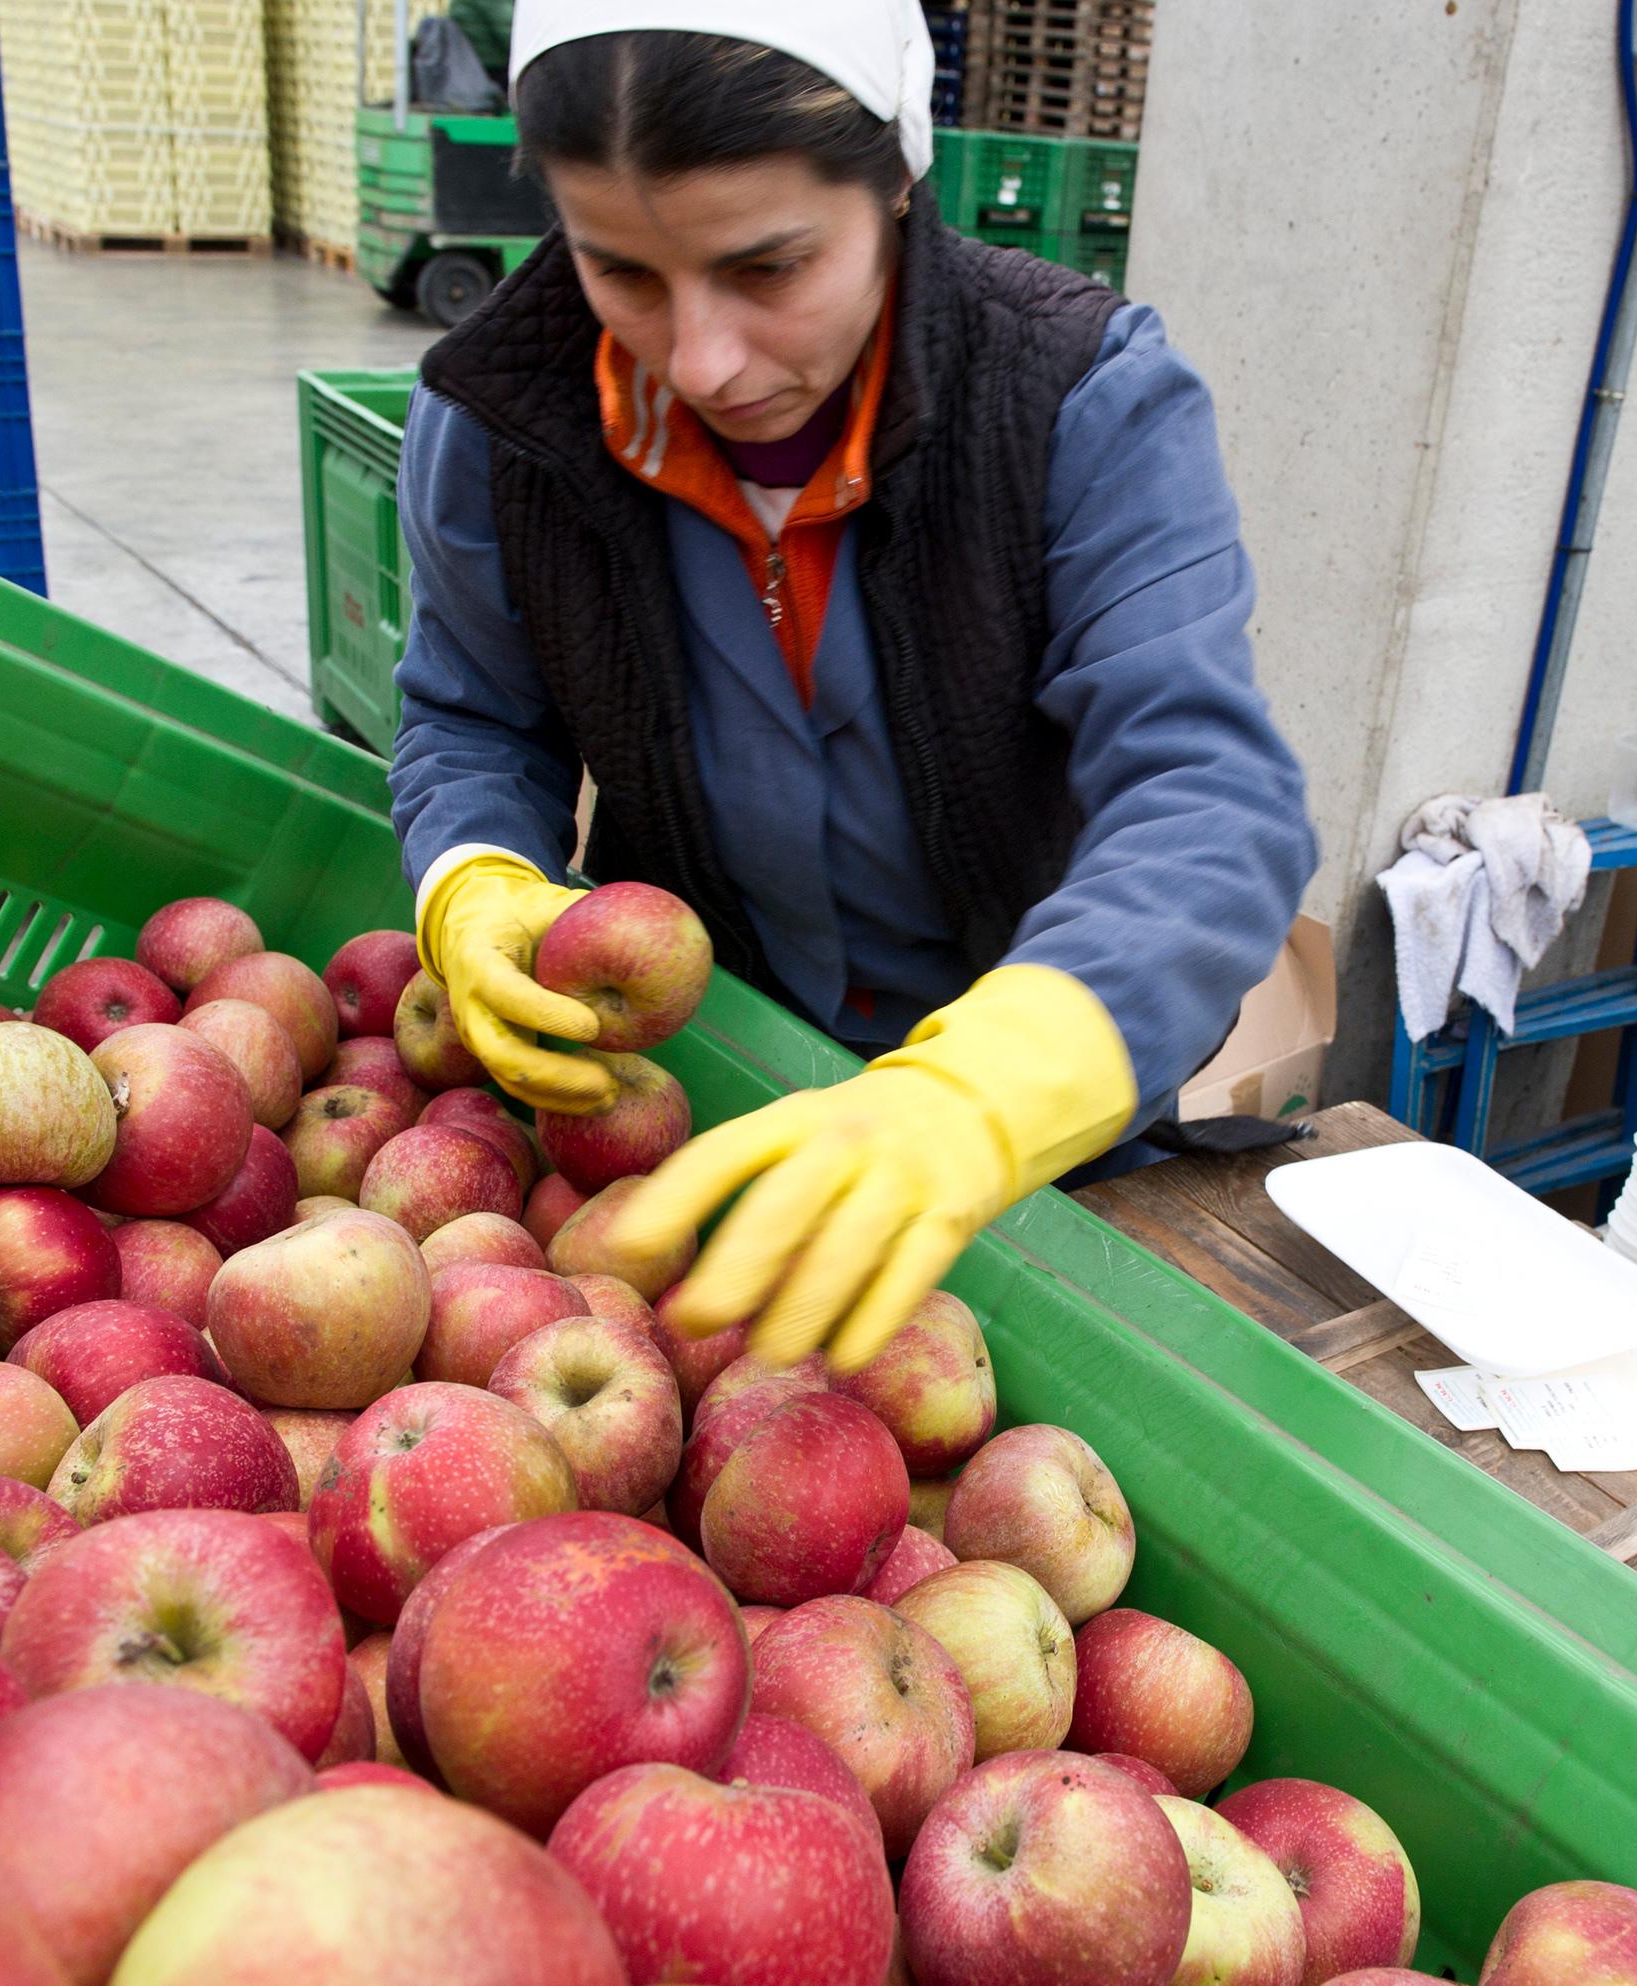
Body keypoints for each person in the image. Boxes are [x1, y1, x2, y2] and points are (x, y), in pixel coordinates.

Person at [387, 0, 1318, 1373]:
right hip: (701, 1111)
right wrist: (471, 870)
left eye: (767, 267)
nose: (699, 358)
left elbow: (1208, 798)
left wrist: (985, 1095)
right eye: (621, 272)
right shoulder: (498, 426)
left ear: (895, 175)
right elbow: (470, 716)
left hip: (1033, 1161)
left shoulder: (1072, 399)